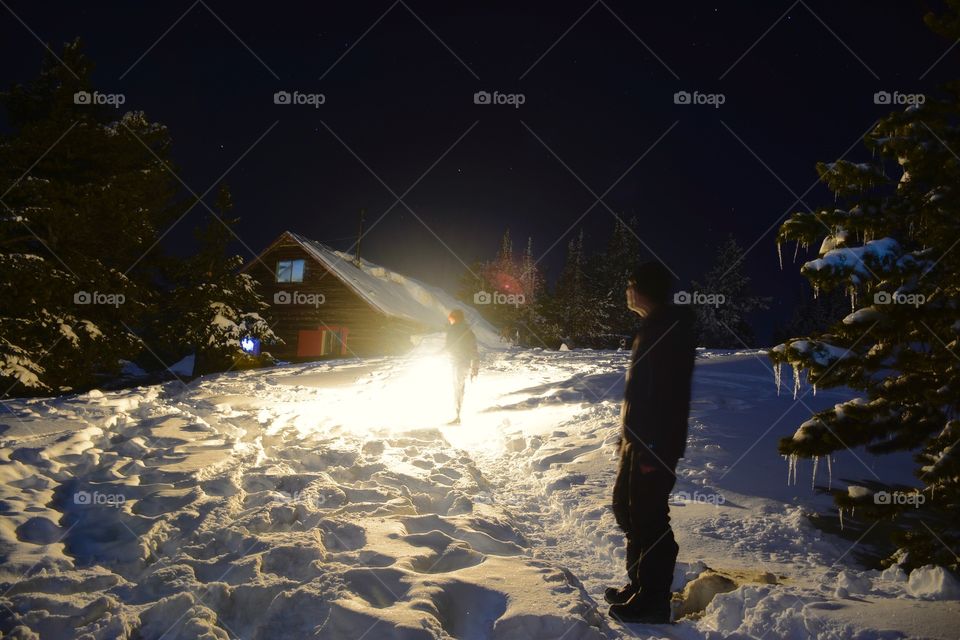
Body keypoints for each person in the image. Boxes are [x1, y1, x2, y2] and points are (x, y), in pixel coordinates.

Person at [607, 261, 696, 625]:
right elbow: (643, 392)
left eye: (630, 284)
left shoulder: (670, 330)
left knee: (649, 518)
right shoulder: (654, 326)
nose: (627, 291)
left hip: (654, 444)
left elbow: (667, 395)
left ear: (644, 289)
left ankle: (654, 600)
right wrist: (628, 439)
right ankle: (639, 585)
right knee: (628, 511)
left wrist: (652, 446)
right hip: (639, 441)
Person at [445, 309, 479, 425]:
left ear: (454, 318)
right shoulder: (464, 331)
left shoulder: (458, 330)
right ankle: (458, 415)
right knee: (459, 389)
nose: (449, 320)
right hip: (459, 364)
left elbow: (473, 351)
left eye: (451, 318)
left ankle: (458, 416)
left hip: (460, 364)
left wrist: (475, 369)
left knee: (458, 390)